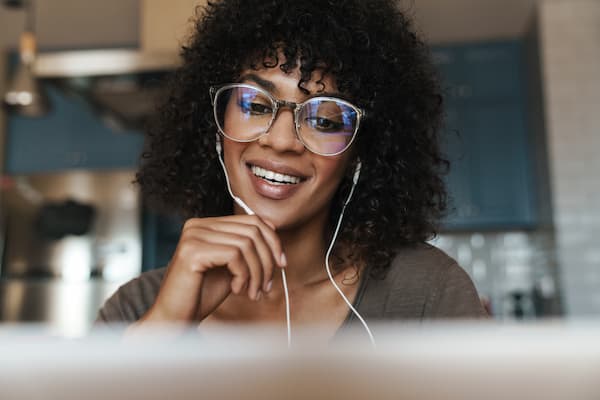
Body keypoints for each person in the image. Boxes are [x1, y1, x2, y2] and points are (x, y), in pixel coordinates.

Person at [96, 0, 487, 341]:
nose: (282, 141)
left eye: (325, 120)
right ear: (215, 126)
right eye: (256, 105)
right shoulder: (135, 310)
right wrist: (163, 328)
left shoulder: (427, 294)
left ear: (359, 152)